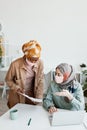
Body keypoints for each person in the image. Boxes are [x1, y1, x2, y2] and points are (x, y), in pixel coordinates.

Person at [5, 40, 44, 108]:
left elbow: (41, 80)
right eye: (31, 59)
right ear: (26, 55)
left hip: (32, 95)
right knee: (19, 114)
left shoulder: (40, 63)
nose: (34, 62)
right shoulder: (15, 64)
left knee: (30, 114)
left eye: (36, 59)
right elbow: (8, 80)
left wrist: (39, 96)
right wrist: (16, 88)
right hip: (18, 96)